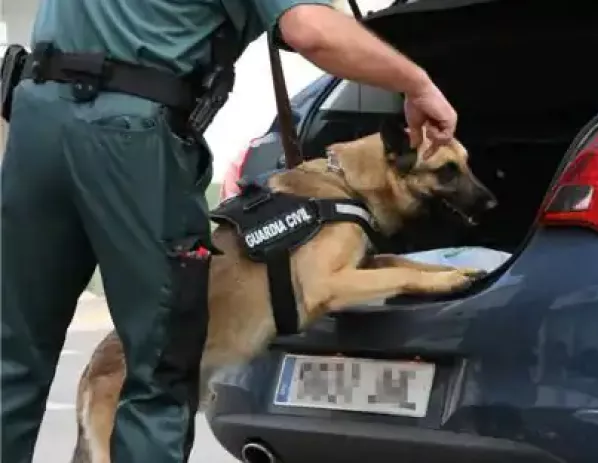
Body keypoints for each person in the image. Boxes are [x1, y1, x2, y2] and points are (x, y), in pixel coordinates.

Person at [0, 0, 457, 461]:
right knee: (160, 366)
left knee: (12, 356)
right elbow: (310, 29)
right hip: (129, 136)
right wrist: (417, 85)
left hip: (35, 116)